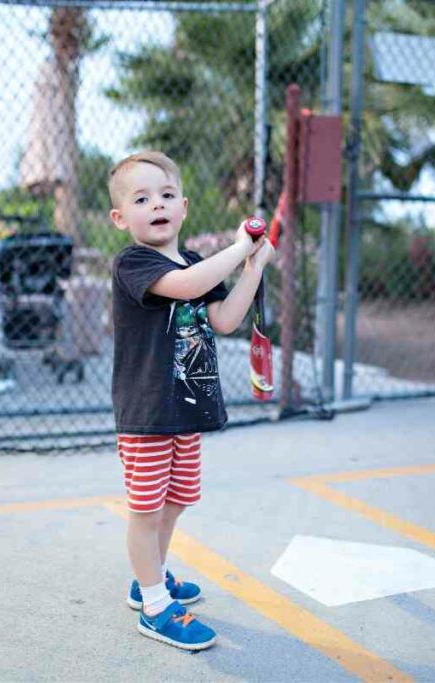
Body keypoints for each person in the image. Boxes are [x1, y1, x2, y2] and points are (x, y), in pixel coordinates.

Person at [108, 151, 274, 650]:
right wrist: (238, 245)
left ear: (182, 207)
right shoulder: (135, 263)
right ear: (121, 219)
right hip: (148, 411)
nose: (155, 205)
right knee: (146, 508)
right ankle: (155, 606)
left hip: (187, 408)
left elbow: (223, 319)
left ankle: (151, 576)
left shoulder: (198, 262)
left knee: (177, 500)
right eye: (141, 199)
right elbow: (186, 287)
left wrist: (255, 266)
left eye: (164, 196)